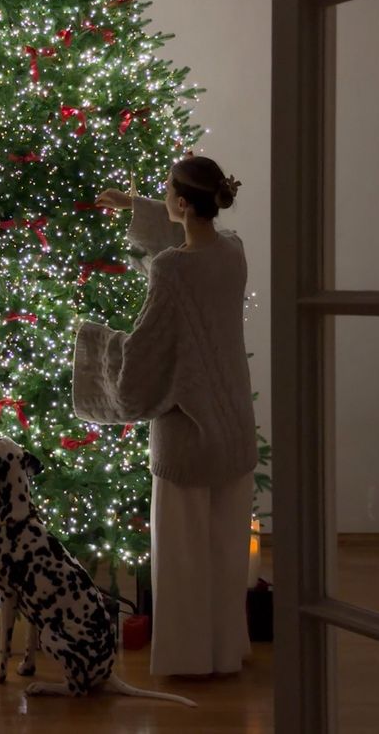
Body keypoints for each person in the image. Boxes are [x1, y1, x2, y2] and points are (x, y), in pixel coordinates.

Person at [72, 155, 257, 677]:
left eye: (166, 190)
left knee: (182, 557)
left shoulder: (172, 270)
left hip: (187, 435)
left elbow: (147, 354)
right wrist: (136, 206)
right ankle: (225, 653)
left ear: (181, 201)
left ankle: (188, 660)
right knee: (224, 554)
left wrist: (93, 344)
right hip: (234, 427)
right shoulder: (234, 252)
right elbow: (188, 248)